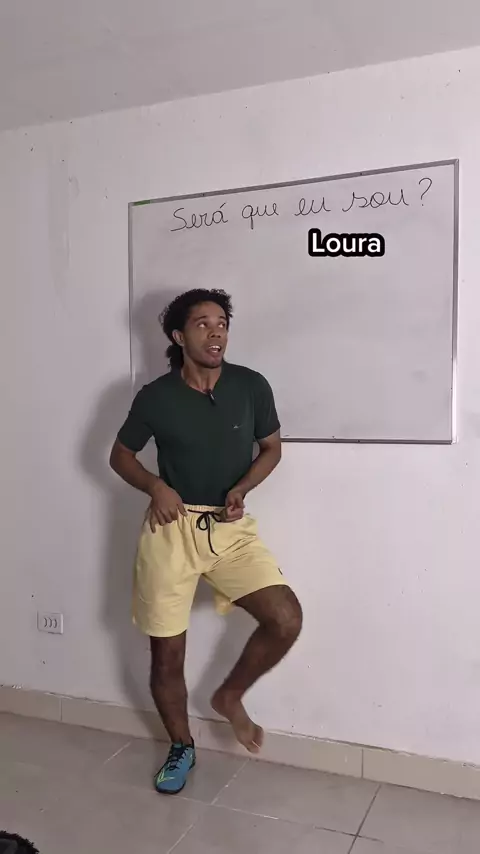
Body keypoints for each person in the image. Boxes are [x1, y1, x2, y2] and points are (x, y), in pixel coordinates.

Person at [110, 288, 302, 795]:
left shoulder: (251, 386)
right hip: (170, 531)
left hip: (229, 528)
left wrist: (242, 488)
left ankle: (228, 696)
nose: (216, 332)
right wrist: (155, 486)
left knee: (285, 618)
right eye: (203, 324)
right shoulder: (155, 397)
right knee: (167, 657)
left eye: (222, 323)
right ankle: (182, 746)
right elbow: (120, 456)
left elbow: (271, 447)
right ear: (179, 336)